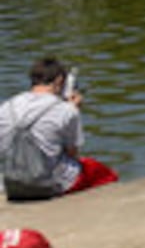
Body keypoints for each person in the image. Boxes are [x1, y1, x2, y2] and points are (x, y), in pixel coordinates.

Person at [1, 57, 119, 201]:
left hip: (12, 183)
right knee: (102, 172)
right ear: (59, 81)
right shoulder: (66, 110)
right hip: (52, 184)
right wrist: (74, 110)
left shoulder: (6, 107)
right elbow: (73, 153)